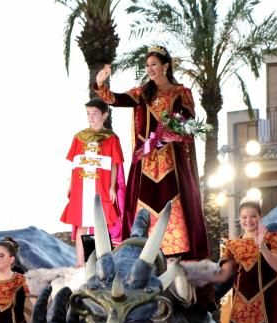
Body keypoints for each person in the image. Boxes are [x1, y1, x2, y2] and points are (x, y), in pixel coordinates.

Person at [94, 47, 208, 257]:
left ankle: (177, 254)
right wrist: (101, 83)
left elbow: (189, 125)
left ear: (165, 66)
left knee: (173, 202)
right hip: (145, 162)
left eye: (154, 64)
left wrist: (176, 134)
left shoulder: (181, 93)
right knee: (142, 205)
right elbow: (115, 99)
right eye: (147, 65)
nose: (150, 69)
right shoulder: (142, 92)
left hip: (171, 160)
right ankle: (143, 252)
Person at [60, 98, 125, 263]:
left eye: (95, 113)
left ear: (105, 115)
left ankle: (101, 262)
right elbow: (75, 163)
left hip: (101, 186)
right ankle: (80, 264)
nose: (91, 117)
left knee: (100, 223)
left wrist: (112, 188)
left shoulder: (111, 138)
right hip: (81, 188)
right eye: (88, 114)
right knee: (81, 223)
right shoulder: (79, 137)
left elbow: (114, 165)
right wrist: (70, 186)